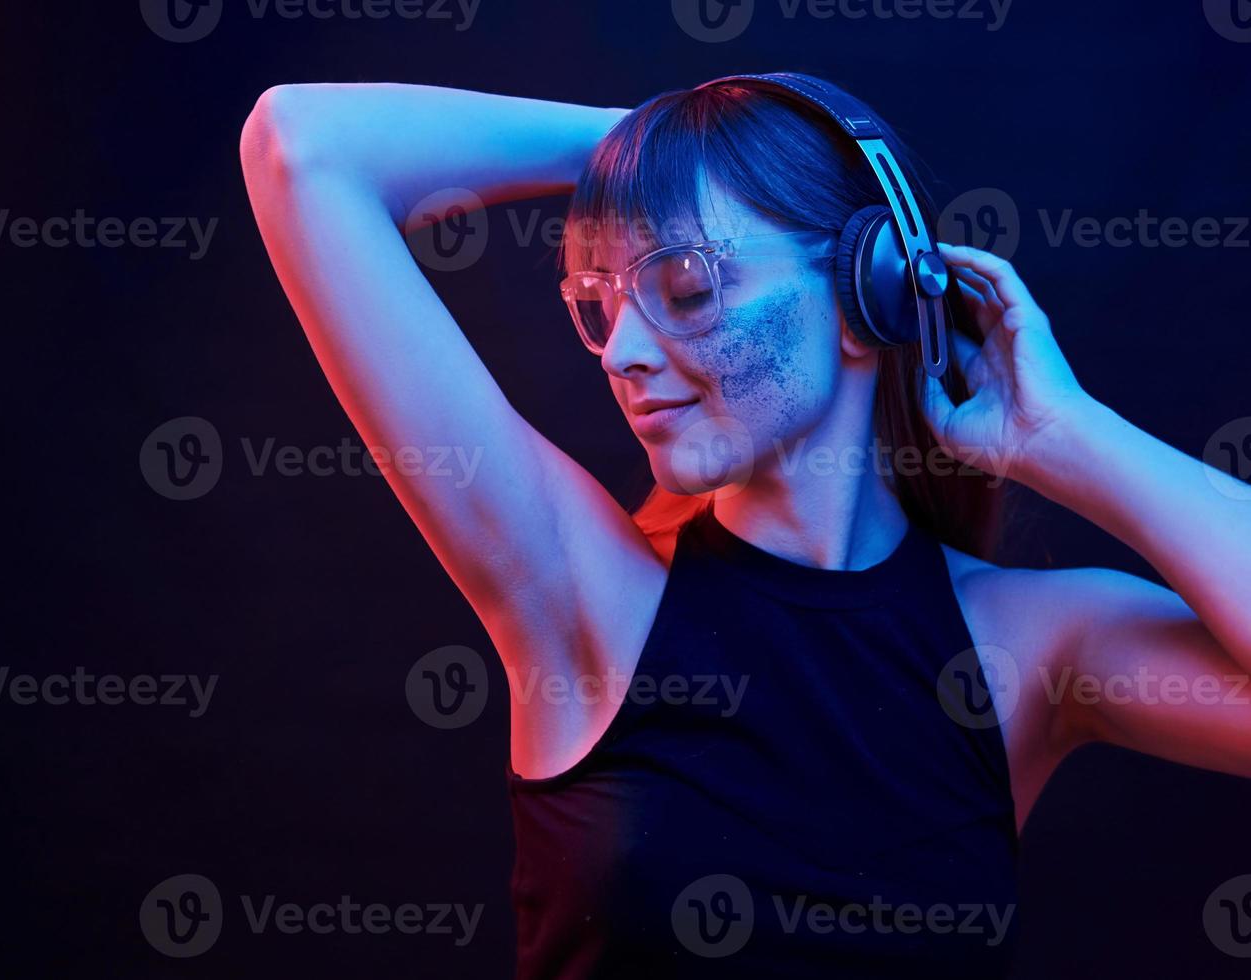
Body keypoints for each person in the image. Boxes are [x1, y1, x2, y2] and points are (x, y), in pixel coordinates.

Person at [238, 74, 1251, 977]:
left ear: (870, 292)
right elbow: (304, 144)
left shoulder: (1026, 650)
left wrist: (1066, 435)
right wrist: (657, 144)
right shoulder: (591, 599)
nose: (623, 351)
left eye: (684, 286)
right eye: (602, 304)